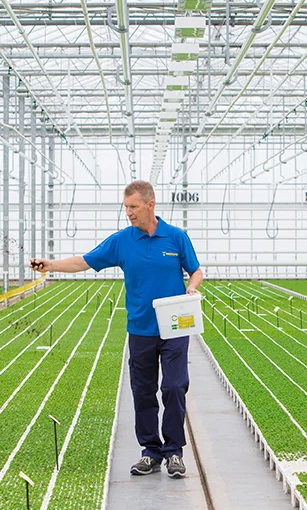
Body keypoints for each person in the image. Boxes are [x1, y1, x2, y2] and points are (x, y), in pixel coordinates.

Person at [30, 180, 203, 479]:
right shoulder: (122, 241)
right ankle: (150, 452)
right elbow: (84, 261)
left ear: (151, 204)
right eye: (126, 207)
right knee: (143, 391)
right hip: (140, 328)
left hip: (174, 325)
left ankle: (174, 451)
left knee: (174, 387)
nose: (129, 213)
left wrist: (191, 288)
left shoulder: (176, 238)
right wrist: (51, 264)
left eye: (134, 207)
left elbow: (196, 270)